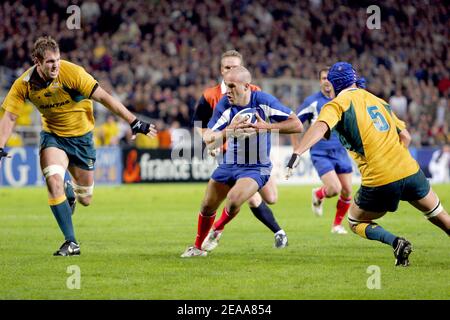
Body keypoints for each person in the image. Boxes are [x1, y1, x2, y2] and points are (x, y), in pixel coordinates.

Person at [0, 36, 157, 256]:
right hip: (53, 136)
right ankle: (71, 242)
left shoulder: (72, 73)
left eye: (57, 60)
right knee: (53, 179)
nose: (55, 65)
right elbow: (10, 118)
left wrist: (134, 121)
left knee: (86, 199)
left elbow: (103, 97)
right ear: (37, 61)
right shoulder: (24, 84)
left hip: (82, 140)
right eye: (49, 62)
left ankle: (71, 193)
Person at [286, 62, 450, 267]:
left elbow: (320, 126)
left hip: (380, 178)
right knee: (438, 215)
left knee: (354, 222)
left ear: (335, 85)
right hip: (410, 170)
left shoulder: (337, 103)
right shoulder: (378, 100)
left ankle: (396, 242)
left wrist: (298, 152)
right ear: (354, 79)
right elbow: (406, 136)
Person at [182, 66, 303, 257]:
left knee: (235, 199)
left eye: (232, 86)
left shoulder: (262, 101)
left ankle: (217, 230)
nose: (228, 91)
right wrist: (228, 131)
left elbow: (297, 124)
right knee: (207, 205)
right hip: (230, 163)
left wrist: (267, 127)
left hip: (257, 166)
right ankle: (197, 248)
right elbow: (209, 140)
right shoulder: (224, 105)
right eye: (226, 86)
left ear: (246, 86)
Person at [291, 67, 353, 234]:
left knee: (348, 191)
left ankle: (336, 226)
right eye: (323, 78)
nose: (326, 81)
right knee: (334, 189)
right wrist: (296, 147)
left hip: (340, 151)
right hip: (320, 152)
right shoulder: (312, 102)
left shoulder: (342, 100)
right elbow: (294, 123)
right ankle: (319, 194)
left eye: (329, 78)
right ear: (319, 81)